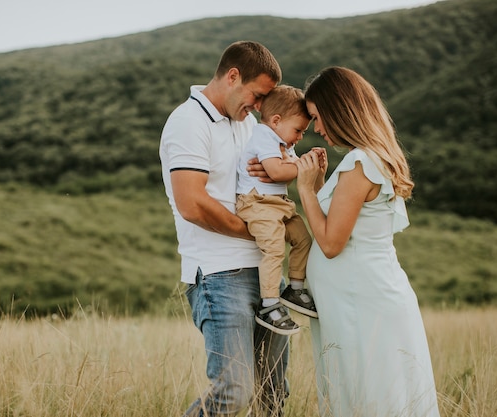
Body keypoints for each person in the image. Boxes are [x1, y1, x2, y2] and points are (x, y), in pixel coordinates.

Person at [293, 66, 441, 416]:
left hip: (364, 307)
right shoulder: (366, 159)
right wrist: (317, 189)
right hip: (359, 303)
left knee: (369, 401)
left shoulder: (360, 162)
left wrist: (304, 190)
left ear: (338, 109)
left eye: (317, 117)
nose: (316, 128)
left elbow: (330, 244)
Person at [159, 41, 290, 417]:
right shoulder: (188, 122)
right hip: (220, 275)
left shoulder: (249, 124)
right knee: (234, 392)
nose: (261, 106)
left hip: (267, 274)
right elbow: (192, 204)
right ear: (233, 76)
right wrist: (257, 233)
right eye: (257, 95)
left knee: (272, 395)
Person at [236, 85, 318, 336]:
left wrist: (298, 163)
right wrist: (306, 166)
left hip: (278, 204)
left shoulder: (281, 139)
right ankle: (269, 304)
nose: (300, 137)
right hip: (257, 203)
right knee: (273, 248)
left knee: (303, 238)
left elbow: (286, 172)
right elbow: (278, 172)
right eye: (298, 130)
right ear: (276, 120)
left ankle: (294, 287)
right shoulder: (264, 136)